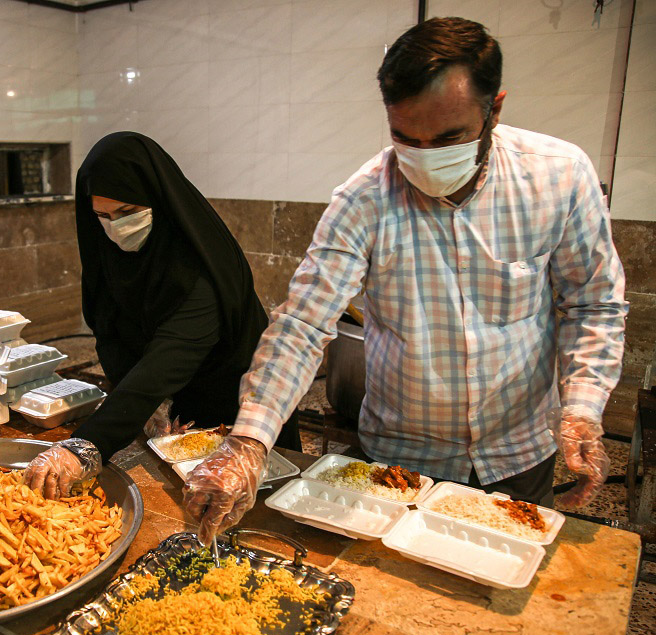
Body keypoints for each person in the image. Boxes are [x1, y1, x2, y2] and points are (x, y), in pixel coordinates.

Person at [182, 17, 628, 545]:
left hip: (518, 452)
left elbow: (592, 304)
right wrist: (249, 442)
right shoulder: (365, 198)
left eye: (449, 138)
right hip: (400, 459)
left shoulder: (559, 176)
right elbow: (303, 323)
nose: (425, 158)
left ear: (495, 108)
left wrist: (581, 407)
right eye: (404, 138)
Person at [23, 132, 301, 499]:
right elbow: (109, 331)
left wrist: (85, 444)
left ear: (158, 199)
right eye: (102, 216)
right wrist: (144, 402)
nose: (115, 228)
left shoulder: (201, 270)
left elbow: (168, 358)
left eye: (127, 213)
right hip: (171, 411)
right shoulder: (109, 257)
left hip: (236, 409)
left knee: (245, 504)